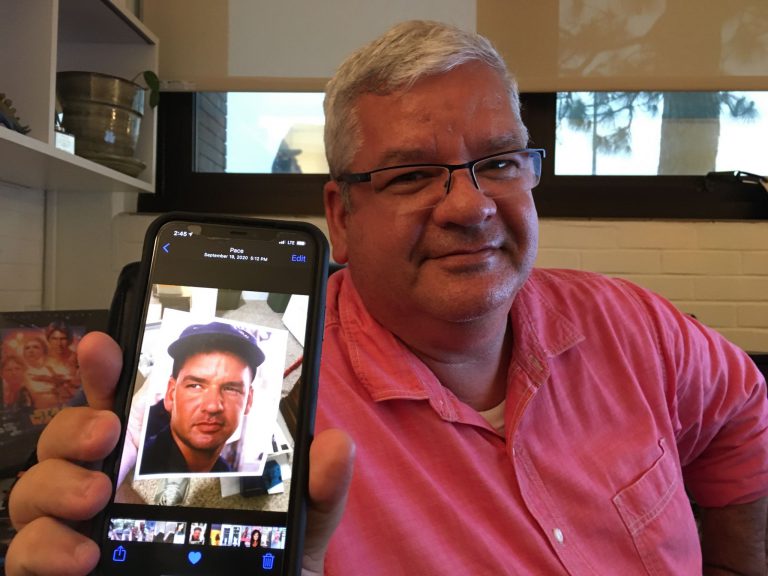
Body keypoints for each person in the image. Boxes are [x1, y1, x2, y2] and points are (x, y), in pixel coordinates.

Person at [6, 19, 768, 576]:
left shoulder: (633, 326)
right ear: (340, 216)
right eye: (409, 175)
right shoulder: (276, 401)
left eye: (498, 161)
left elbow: (743, 410)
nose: (470, 207)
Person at [138, 321, 265, 475]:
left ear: (249, 401)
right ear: (171, 394)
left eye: (231, 389)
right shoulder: (139, 464)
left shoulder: (224, 471)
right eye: (195, 386)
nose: (212, 406)